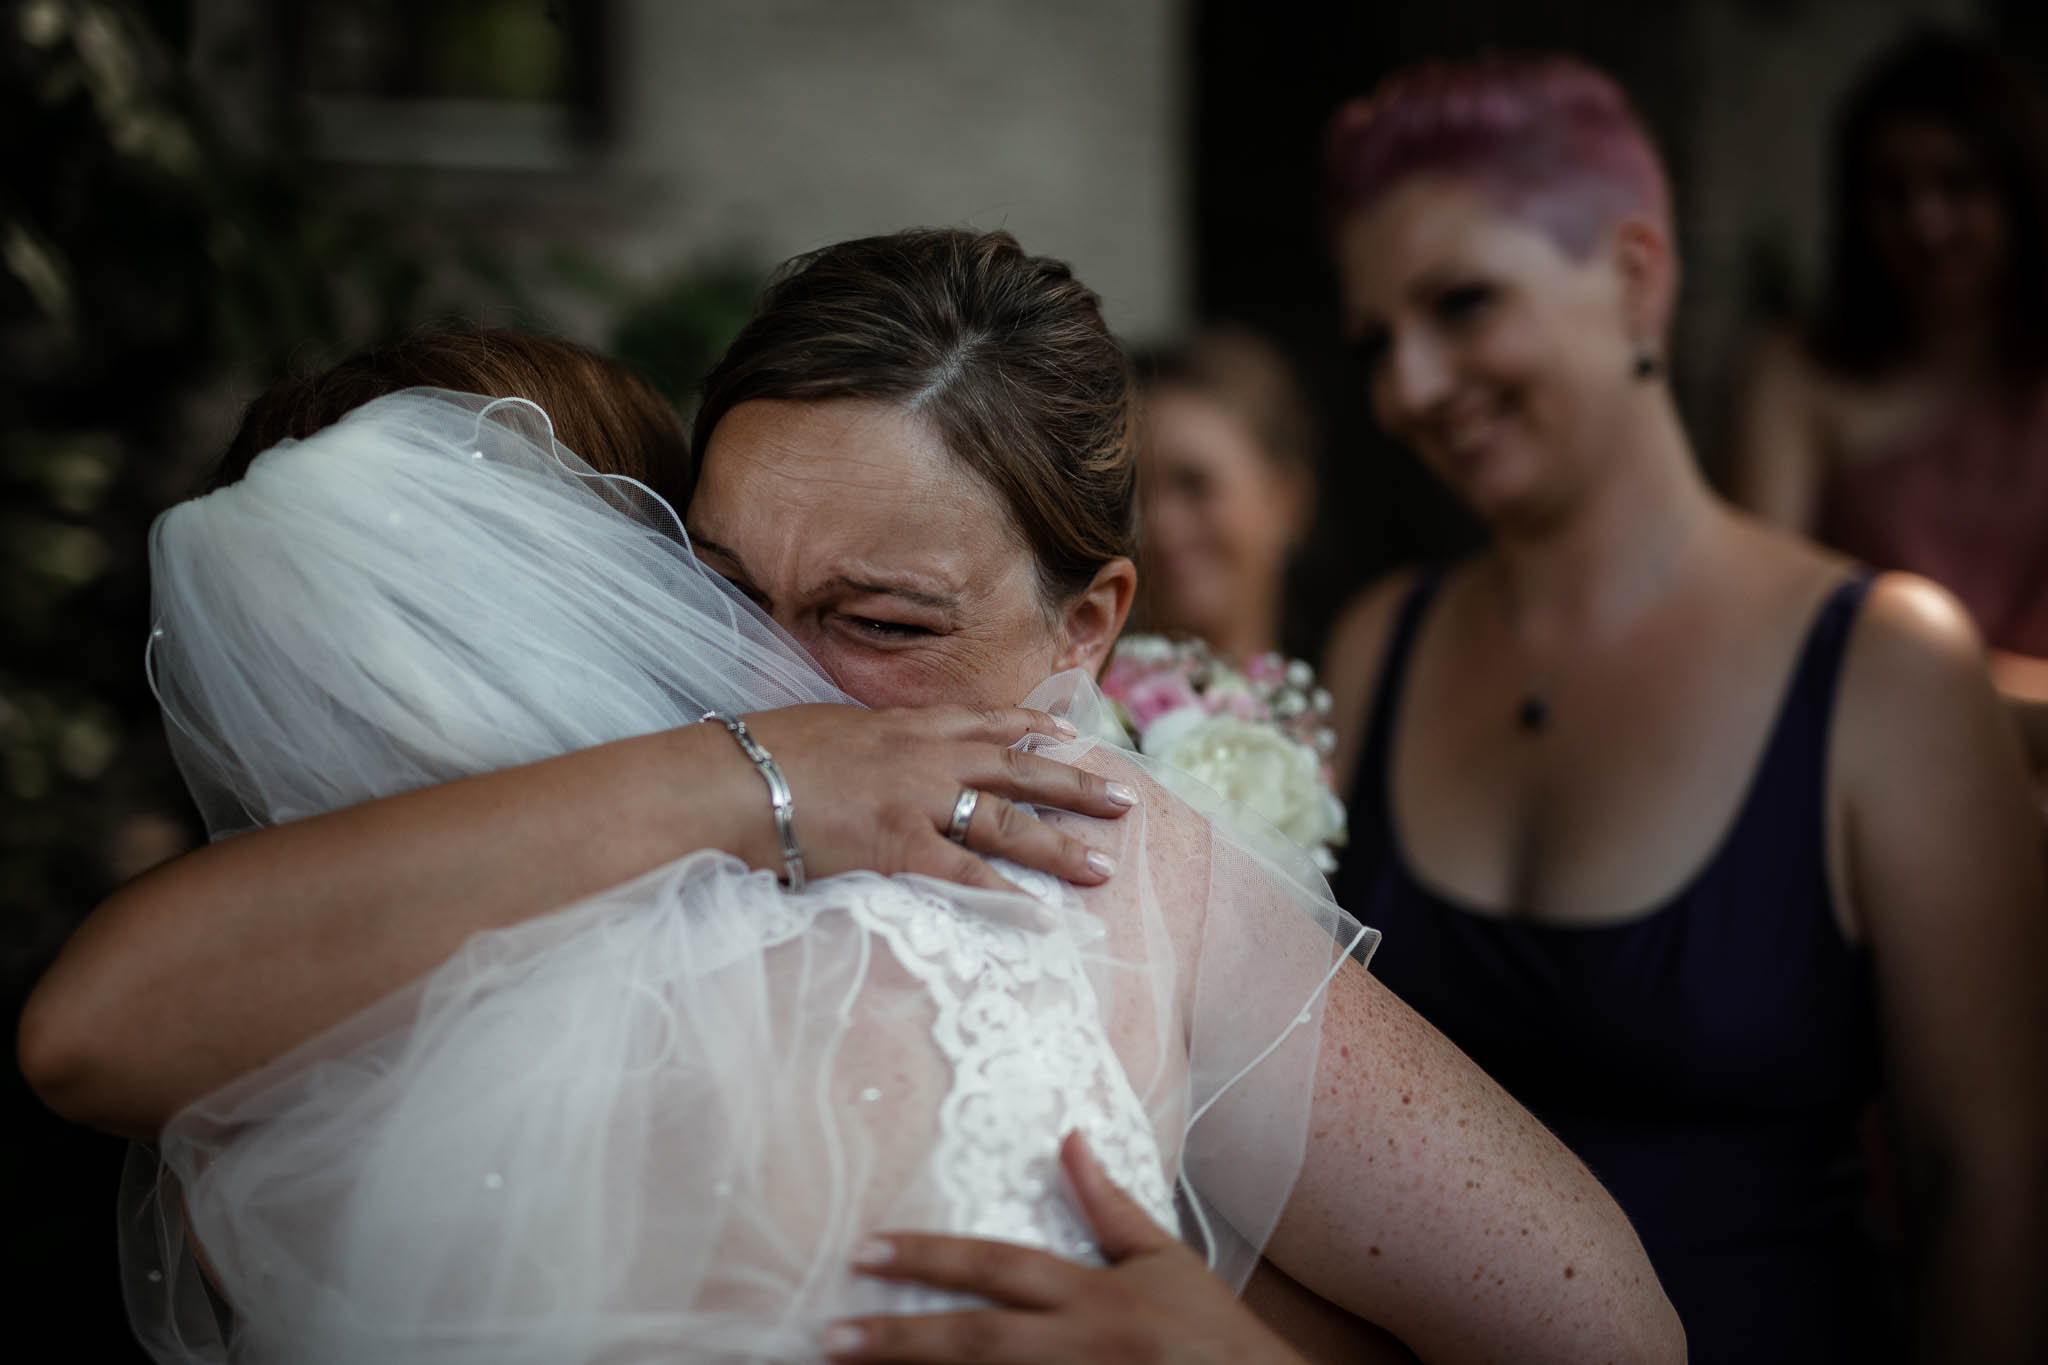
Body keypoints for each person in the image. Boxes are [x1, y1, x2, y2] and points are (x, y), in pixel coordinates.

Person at [21, 238, 1683, 1363]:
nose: (778, 679)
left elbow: (1599, 1329)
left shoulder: (1096, 856)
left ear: (1088, 627)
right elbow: (91, 1034)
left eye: (881, 623)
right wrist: (749, 779)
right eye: (722, 596)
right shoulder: (344, 996)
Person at [1318, 56, 2048, 1365]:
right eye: (1377, 341)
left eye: (1463, 304)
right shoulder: (1382, 643)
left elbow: (1986, 1189)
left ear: (1637, 273)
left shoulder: (1886, 666)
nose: (1410, 389)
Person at [1734, 30, 2048, 777]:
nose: (1926, 223)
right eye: (1892, 193)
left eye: (1958, 185)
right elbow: (1763, 641)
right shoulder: (1797, 374)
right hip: (1866, 783)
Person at [1134, 327, 1317, 662]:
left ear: (1287, 499)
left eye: (1194, 484)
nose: (1158, 528)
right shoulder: (1065, 711)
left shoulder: (1359, 702)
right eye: (1133, 495)